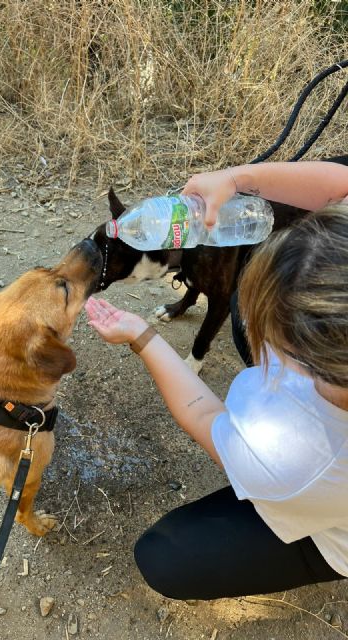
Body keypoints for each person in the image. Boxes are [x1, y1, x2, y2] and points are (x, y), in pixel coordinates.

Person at [85, 159, 348, 600]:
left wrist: (141, 335)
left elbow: (205, 415)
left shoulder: (293, 456)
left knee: (166, 558)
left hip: (327, 509)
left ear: (306, 358)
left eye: (277, 334)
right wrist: (237, 181)